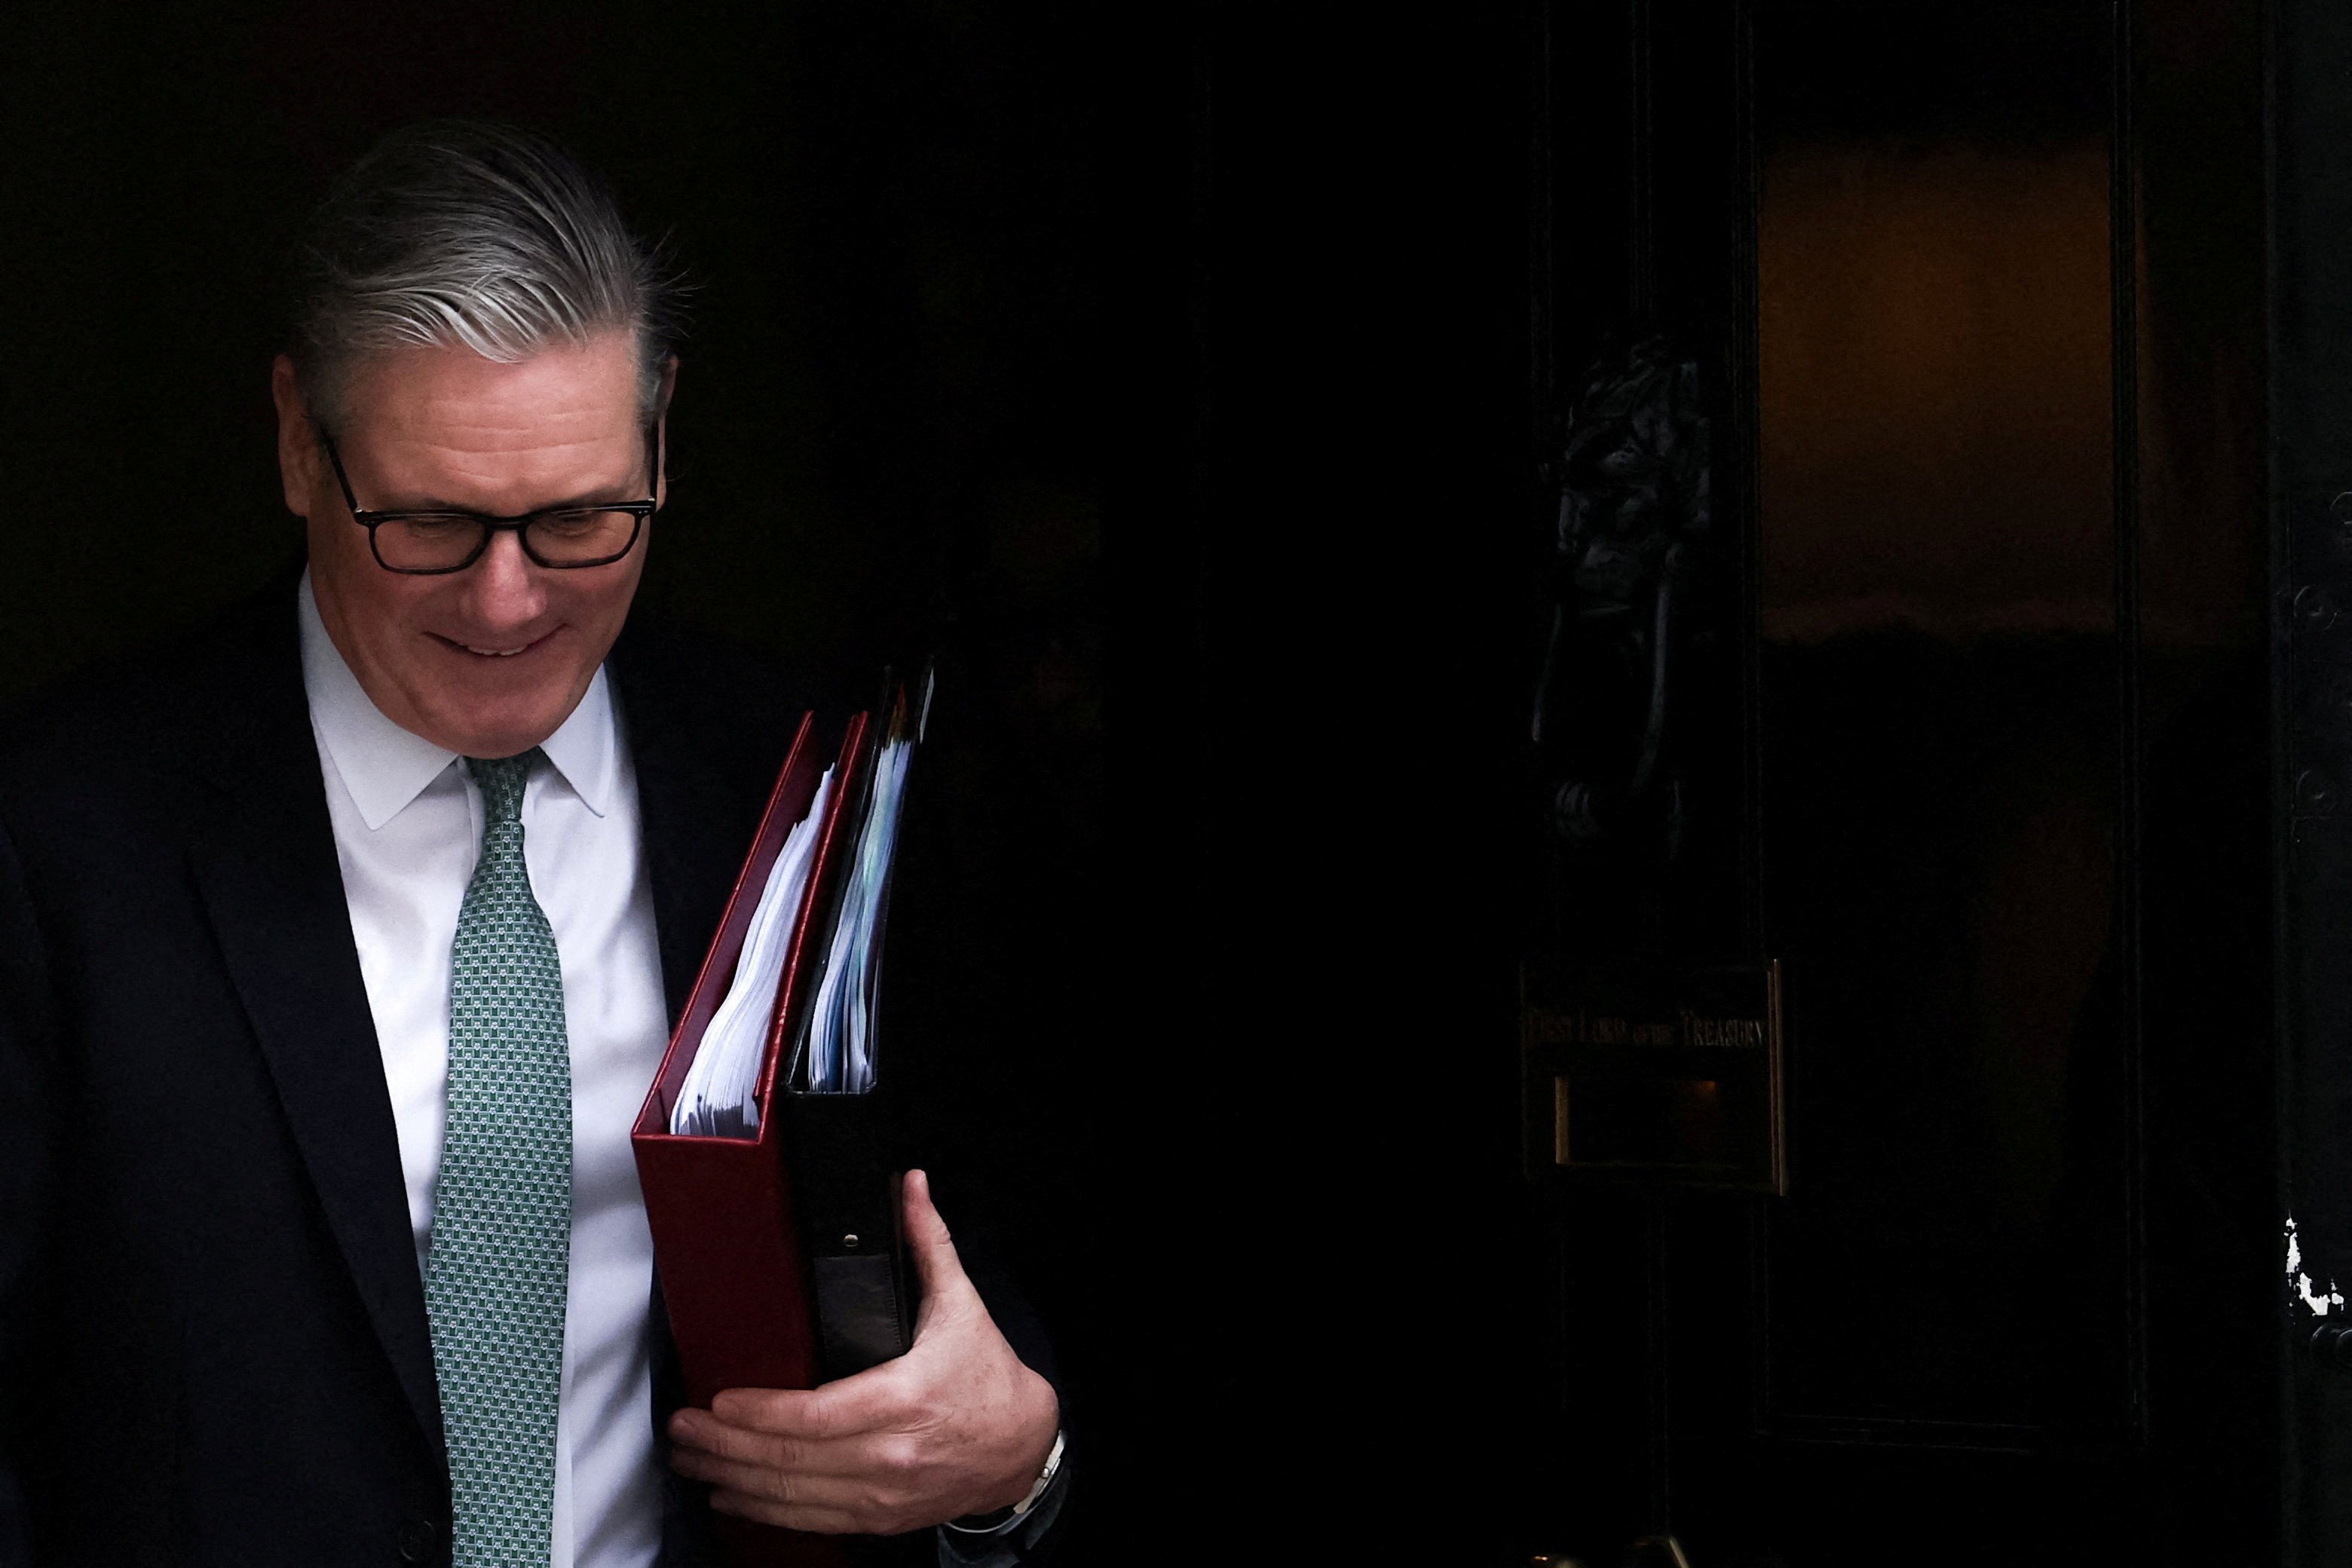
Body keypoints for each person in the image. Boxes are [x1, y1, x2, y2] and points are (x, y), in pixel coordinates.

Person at [0, 121, 1064, 1568]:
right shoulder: (62, 834)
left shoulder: (805, 789)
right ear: (299, 446)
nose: (509, 605)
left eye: (580, 521)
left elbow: (988, 1311)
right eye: (431, 523)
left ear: (664, 443)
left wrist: (1013, 1463)